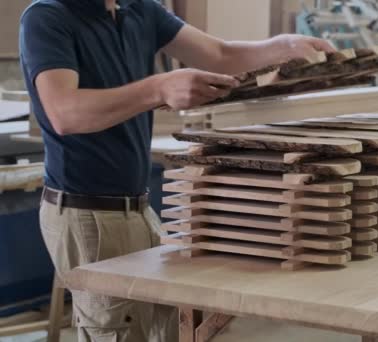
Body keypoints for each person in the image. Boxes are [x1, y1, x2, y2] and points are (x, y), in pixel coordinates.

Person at [19, 0, 335, 340]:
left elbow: (219, 54)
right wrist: (158, 88)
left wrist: (285, 46)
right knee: (116, 331)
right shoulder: (47, 17)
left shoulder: (139, 10)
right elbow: (65, 113)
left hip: (137, 206)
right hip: (84, 210)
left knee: (166, 326)